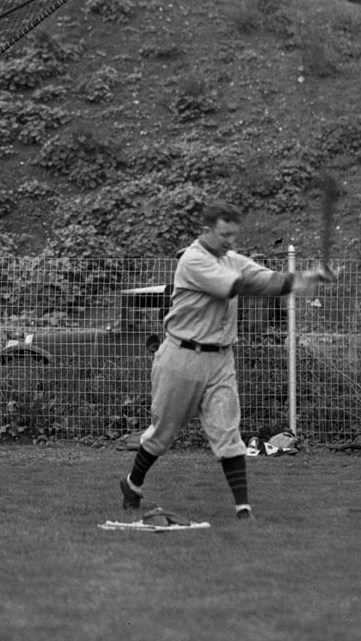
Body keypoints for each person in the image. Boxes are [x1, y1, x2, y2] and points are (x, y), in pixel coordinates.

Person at [119, 201, 333, 520]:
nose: (231, 242)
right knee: (162, 434)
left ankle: (243, 510)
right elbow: (239, 286)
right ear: (207, 231)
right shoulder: (193, 261)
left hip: (220, 358)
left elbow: (266, 277)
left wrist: (304, 278)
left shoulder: (231, 259)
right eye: (224, 235)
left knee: (227, 433)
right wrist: (295, 282)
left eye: (234, 235)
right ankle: (132, 484)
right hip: (181, 356)